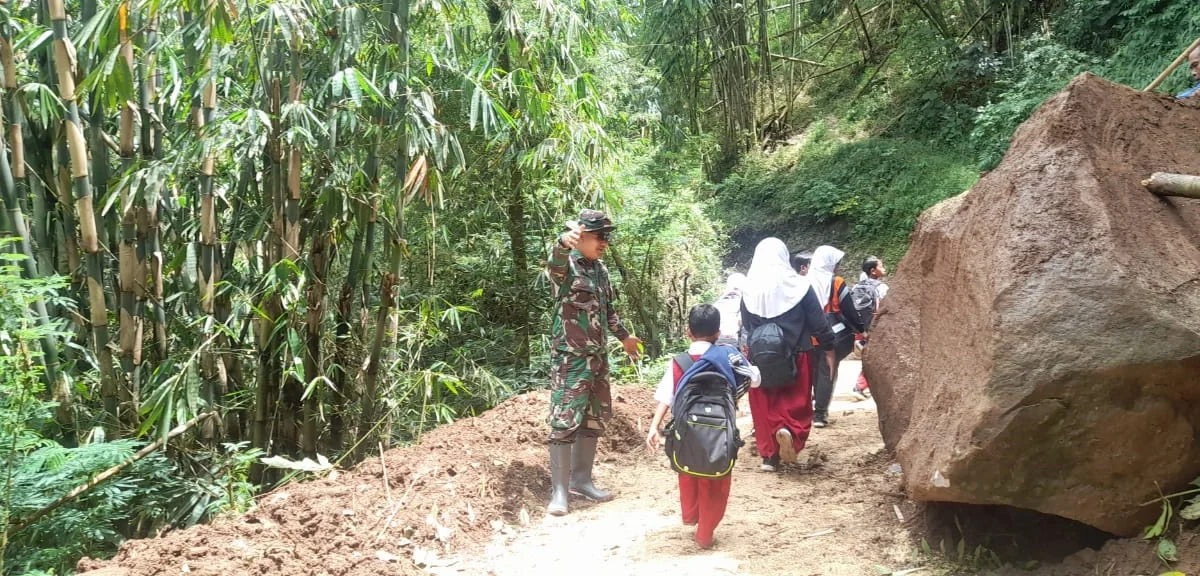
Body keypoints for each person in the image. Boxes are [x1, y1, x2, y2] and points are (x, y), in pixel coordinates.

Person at [544, 209, 643, 516]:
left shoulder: (599, 269)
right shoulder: (566, 266)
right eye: (600, 237)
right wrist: (562, 242)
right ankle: (559, 493)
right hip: (571, 360)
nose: (605, 243)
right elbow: (554, 262)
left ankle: (582, 481)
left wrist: (624, 337)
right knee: (564, 422)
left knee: (593, 418)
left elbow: (608, 309)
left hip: (597, 358)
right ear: (582, 235)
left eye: (607, 237)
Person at [645, 304, 759, 549]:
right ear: (718, 333)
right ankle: (705, 533)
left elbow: (667, 397)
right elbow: (755, 379)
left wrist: (654, 427)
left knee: (689, 470)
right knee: (716, 479)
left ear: (688, 332)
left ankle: (691, 515)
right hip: (720, 433)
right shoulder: (727, 356)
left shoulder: (678, 363)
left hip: (687, 432)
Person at [740, 238, 833, 471]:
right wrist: (829, 348)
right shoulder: (800, 286)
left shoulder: (748, 290)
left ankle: (769, 456)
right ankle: (790, 432)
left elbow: (748, 327)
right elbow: (818, 323)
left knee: (765, 404)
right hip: (798, 353)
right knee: (795, 400)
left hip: (761, 357)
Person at [806, 245, 854, 428]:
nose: (838, 267)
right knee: (827, 372)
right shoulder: (836, 282)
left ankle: (808, 411)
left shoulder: (803, 281)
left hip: (808, 337)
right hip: (829, 335)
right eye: (836, 263)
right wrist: (861, 329)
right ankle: (819, 414)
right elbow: (848, 308)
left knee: (813, 374)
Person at [851, 256, 888, 401]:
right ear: (873, 271)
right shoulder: (881, 287)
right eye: (881, 266)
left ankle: (861, 386)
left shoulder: (856, 286)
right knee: (876, 358)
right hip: (874, 327)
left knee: (868, 358)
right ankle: (859, 386)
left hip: (860, 327)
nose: (884, 269)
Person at [713, 273, 745, 346]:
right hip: (735, 342)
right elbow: (740, 322)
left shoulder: (717, 303)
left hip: (717, 341)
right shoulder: (744, 304)